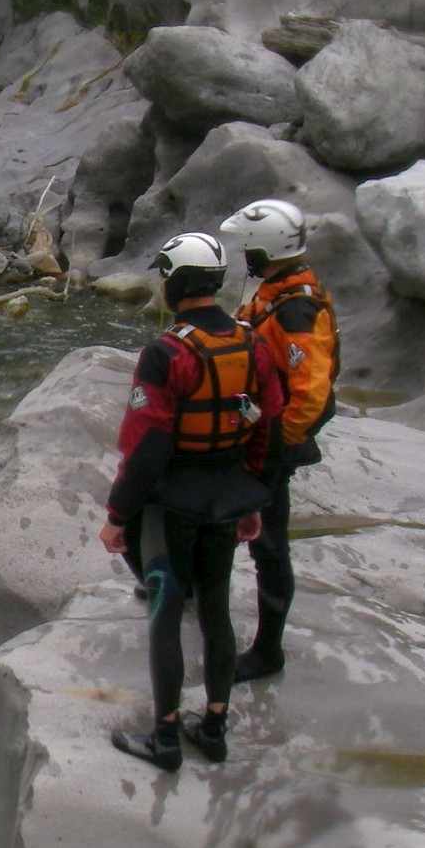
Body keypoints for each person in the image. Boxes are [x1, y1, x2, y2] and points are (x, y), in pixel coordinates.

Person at [101, 232, 284, 771]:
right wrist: (254, 499)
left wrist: (118, 516)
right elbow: (266, 432)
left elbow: (149, 442)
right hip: (227, 496)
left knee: (164, 609)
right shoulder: (254, 344)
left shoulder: (166, 353)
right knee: (216, 609)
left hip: (171, 502)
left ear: (176, 282)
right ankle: (215, 727)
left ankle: (164, 738)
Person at [220, 198, 340, 682]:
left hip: (269, 439)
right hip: (258, 429)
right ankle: (194, 590)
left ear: (261, 252)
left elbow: (310, 390)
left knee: (268, 544)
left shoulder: (296, 310)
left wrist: (275, 442)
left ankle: (268, 651)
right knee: (237, 521)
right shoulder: (280, 291)